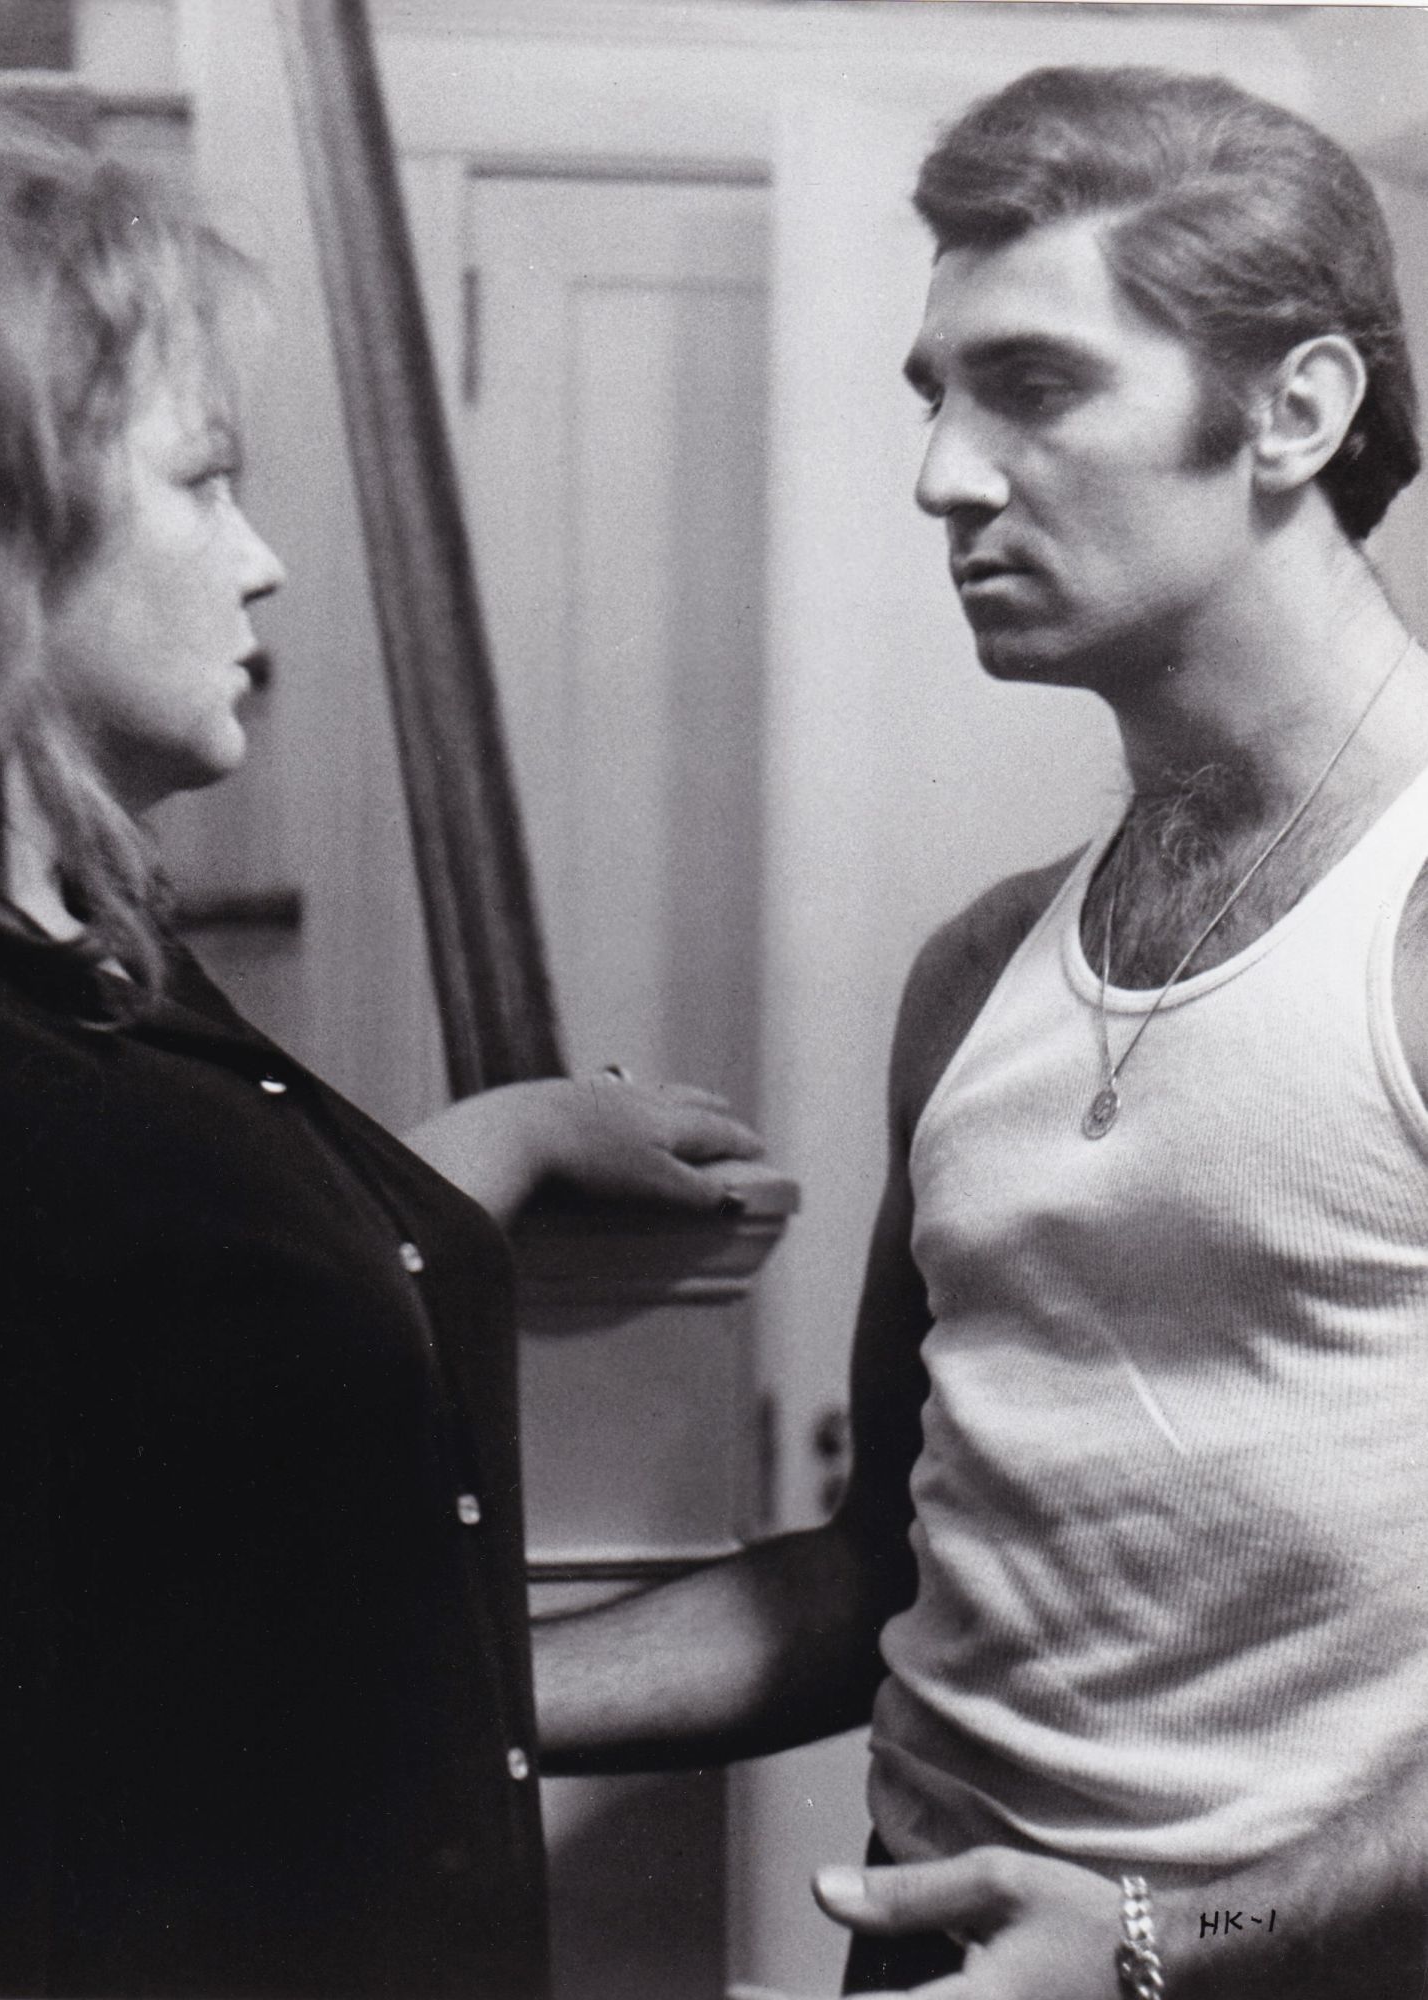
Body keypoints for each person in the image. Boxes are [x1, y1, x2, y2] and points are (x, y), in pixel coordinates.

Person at [0, 89, 762, 1999]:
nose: (264, 561)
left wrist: (502, 1136)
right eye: (201, 480)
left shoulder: (55, 947)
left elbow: (188, 1276)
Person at [535, 64, 1428, 1997]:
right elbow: (883, 1573)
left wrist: (1165, 1944)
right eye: (934, 396)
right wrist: (423, 1695)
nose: (942, 475)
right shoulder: (983, 966)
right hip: (936, 1951)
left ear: (1295, 410)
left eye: (1031, 386)